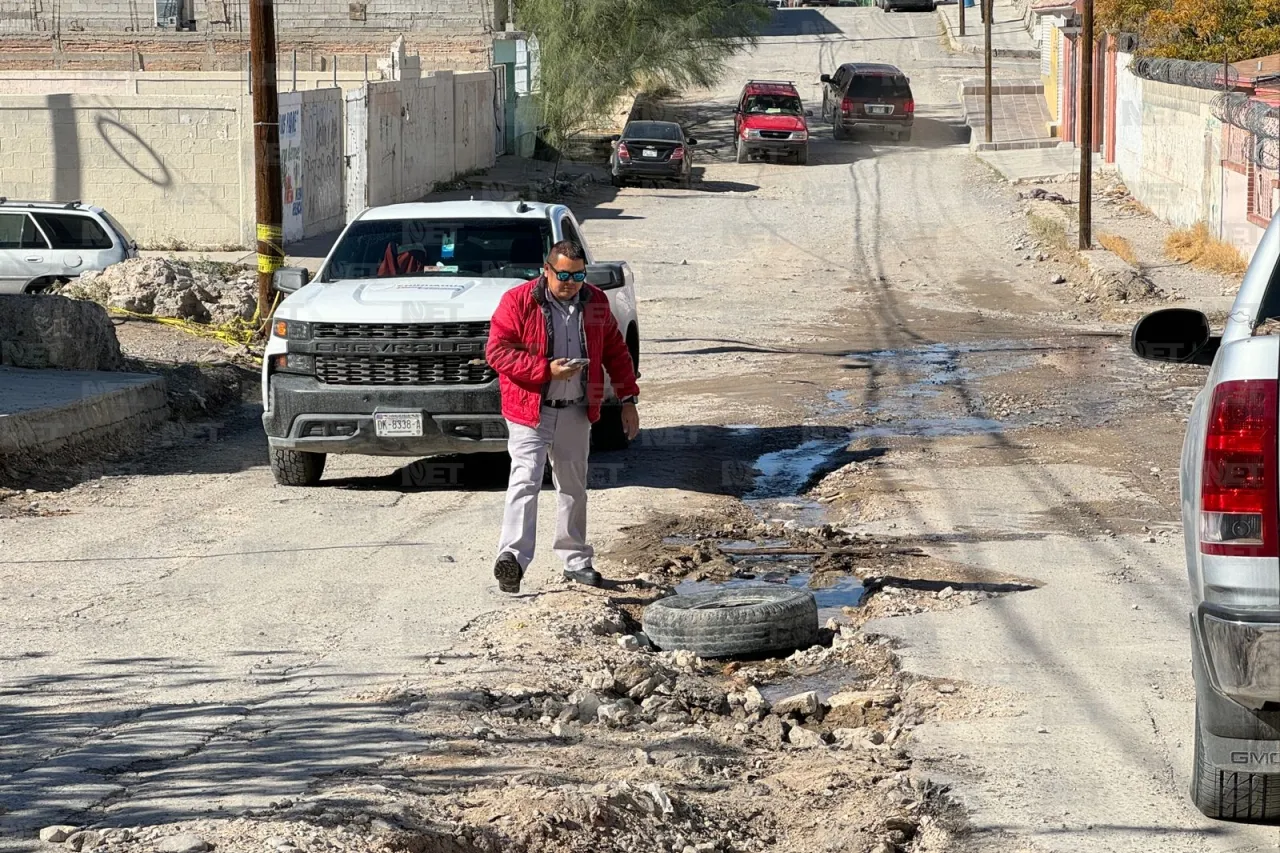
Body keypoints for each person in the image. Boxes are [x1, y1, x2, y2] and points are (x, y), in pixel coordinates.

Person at [486, 240, 640, 593]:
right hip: (530, 411)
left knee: (573, 487)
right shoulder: (519, 301)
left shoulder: (595, 302)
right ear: (547, 270)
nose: (571, 282)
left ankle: (575, 560)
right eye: (564, 275)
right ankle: (512, 559)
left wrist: (628, 399)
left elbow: (616, 351)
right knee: (525, 482)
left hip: (575, 411)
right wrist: (545, 370)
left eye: (578, 274)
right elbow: (497, 352)